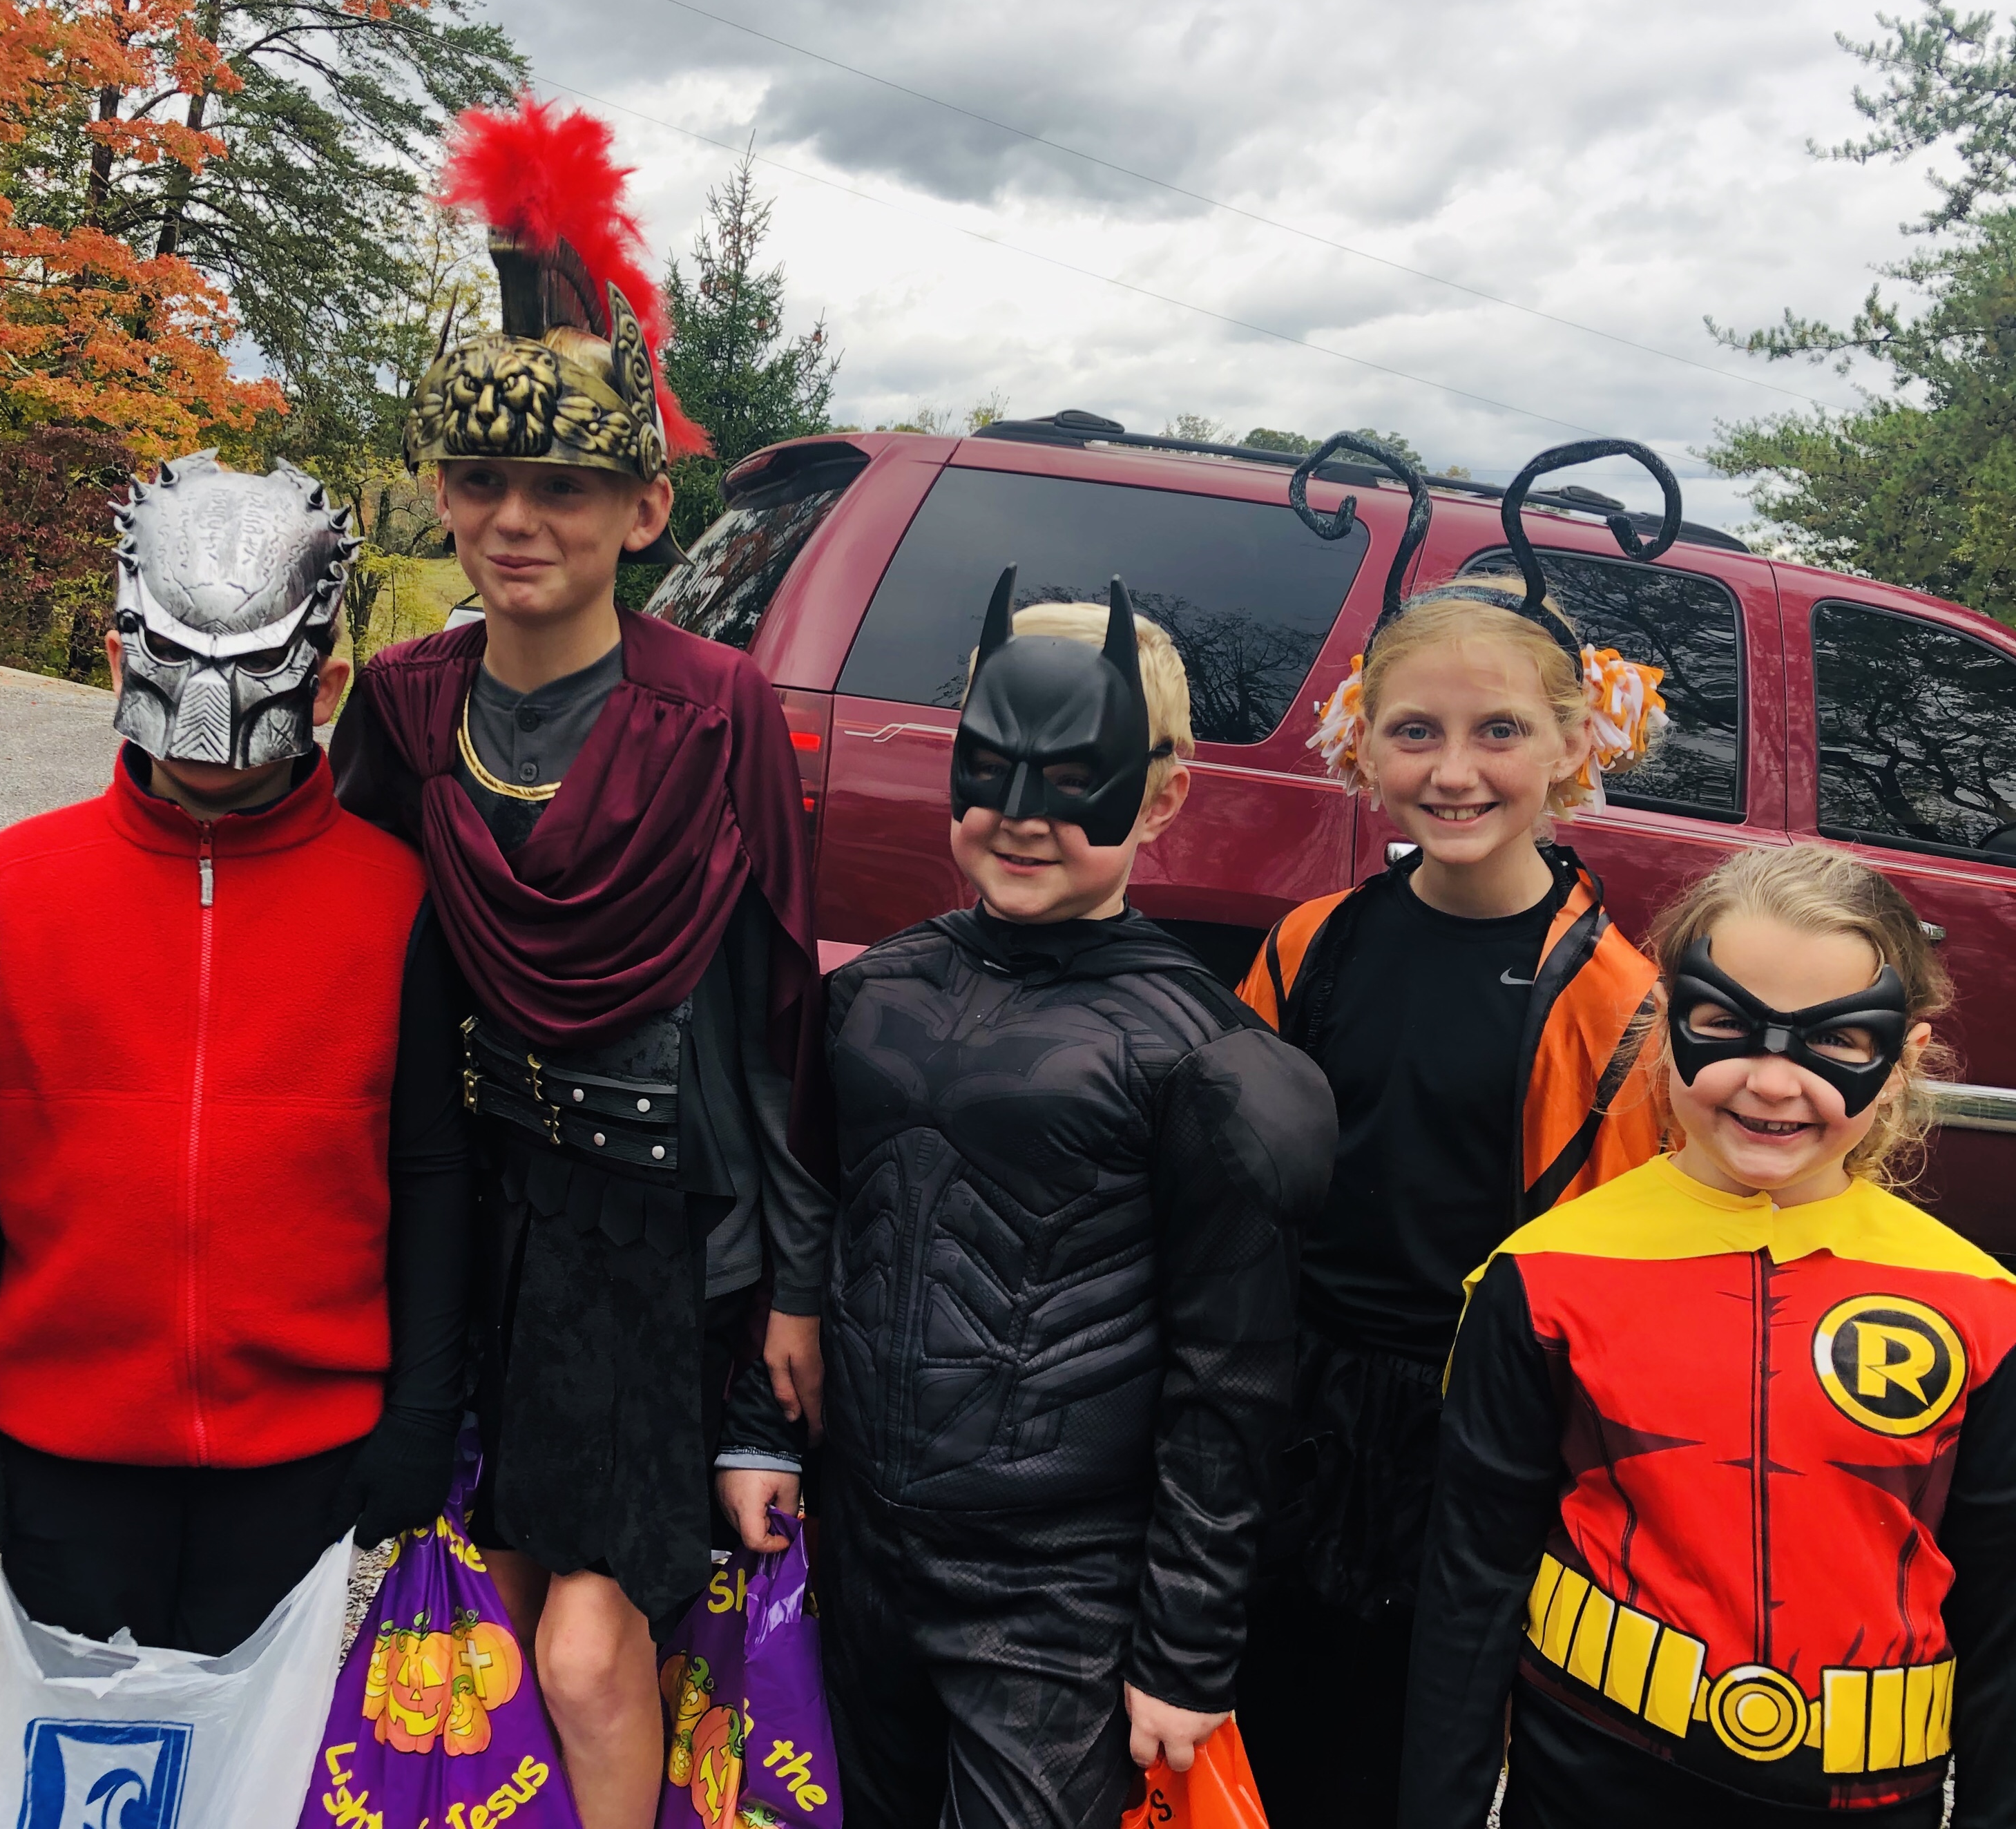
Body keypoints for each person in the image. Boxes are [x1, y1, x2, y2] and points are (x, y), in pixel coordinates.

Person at [328, 94, 832, 1829]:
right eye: (482, 482)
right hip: (475, 1215)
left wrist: (790, 1289)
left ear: (643, 506)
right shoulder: (409, 701)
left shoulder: (720, 709)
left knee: (594, 1648)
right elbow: (326, 923)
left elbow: (776, 1014)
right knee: (495, 1611)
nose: (515, 520)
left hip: (654, 1241)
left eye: (563, 486)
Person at [716, 573, 1337, 1829]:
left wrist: (1186, 1645)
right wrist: (761, 1435)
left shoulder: (1206, 1060)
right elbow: (809, 1223)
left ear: (1161, 796)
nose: (1022, 816)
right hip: (865, 1546)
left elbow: (1232, 1377)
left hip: (1059, 1591)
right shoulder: (871, 999)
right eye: (991, 766)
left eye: (1076, 778)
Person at [0, 452, 473, 1657]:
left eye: (259, 677)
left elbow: (430, 1169)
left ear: (325, 686)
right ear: (120, 662)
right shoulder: (22, 882)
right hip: (61, 1444)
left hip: (300, 1451)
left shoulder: (396, 900)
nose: (214, 726)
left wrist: (422, 1407)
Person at [1404, 843, 2014, 1829]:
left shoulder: (1982, 1307)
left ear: (1902, 1060)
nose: (1772, 1083)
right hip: (1593, 1775)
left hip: (1871, 1796)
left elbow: (2003, 1613)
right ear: (1665, 1021)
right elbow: (1470, 1583)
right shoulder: (1546, 1276)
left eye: (1835, 1041)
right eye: (1726, 1025)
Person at [1232, 582, 1668, 1828]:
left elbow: (1621, 1275)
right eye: (1416, 731)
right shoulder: (1311, 945)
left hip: (1474, 1431)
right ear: (1363, 744)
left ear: (1571, 744)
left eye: (1500, 732)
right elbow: (1232, 1184)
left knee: (1405, 1754)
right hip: (1287, 1411)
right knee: (1255, 1727)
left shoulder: (1615, 1001)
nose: (1455, 771)